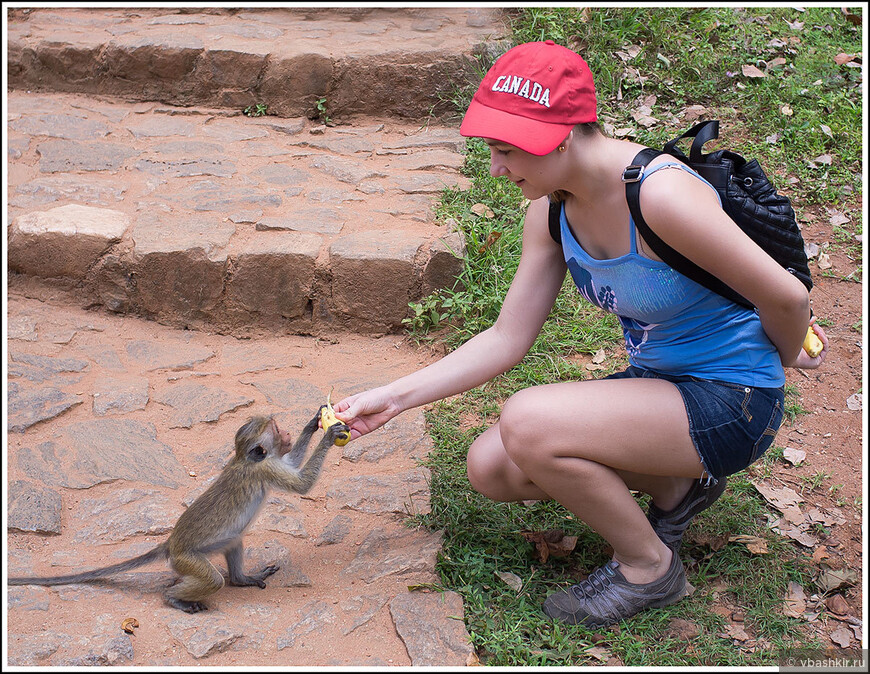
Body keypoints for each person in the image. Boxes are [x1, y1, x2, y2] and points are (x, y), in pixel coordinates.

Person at [333, 40, 828, 627]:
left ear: (560, 136)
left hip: (735, 400)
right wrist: (392, 398)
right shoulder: (549, 209)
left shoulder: (659, 195)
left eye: (504, 150)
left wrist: (786, 348)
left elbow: (789, 295)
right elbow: (506, 337)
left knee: (528, 422)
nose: (495, 169)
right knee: (493, 468)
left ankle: (649, 568)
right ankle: (676, 489)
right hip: (664, 388)